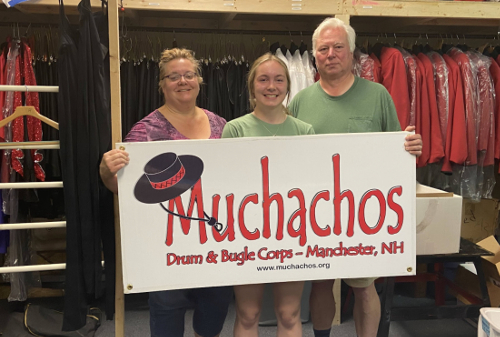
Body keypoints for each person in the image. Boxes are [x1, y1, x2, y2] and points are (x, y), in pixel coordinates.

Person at [288, 18, 423, 337]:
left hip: (364, 213)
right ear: (314, 55)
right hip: (316, 212)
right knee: (321, 283)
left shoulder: (378, 96)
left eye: (338, 47)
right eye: (323, 48)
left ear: (351, 53)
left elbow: (397, 148)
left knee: (364, 287)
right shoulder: (299, 101)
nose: (330, 54)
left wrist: (410, 147)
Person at [99, 48, 232, 337]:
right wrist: (107, 170)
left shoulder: (221, 125)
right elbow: (122, 188)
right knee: (168, 305)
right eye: (174, 77)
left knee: (217, 302)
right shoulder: (146, 131)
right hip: (165, 239)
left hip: (212, 237)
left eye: (189, 75)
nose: (183, 81)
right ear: (161, 84)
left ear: (199, 80)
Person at [222, 53, 314, 337]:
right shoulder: (234, 129)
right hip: (247, 233)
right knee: (248, 314)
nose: (271, 86)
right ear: (252, 87)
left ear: (288, 86)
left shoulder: (305, 131)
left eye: (278, 79)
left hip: (292, 232)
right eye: (263, 79)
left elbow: (312, 185)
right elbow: (226, 185)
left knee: (289, 314)